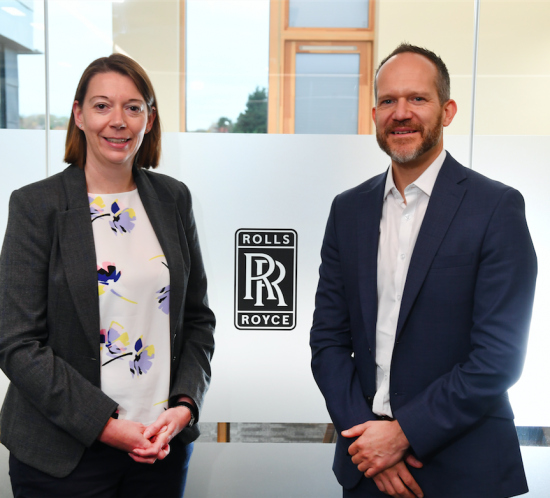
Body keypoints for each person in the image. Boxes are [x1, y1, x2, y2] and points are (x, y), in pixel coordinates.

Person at [310, 43, 537, 498]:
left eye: (418, 99)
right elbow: (327, 341)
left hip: (464, 470)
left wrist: (402, 434)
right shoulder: (348, 210)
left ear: (447, 110)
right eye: (389, 101)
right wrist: (366, 440)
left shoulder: (496, 208)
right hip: (366, 468)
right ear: (374, 113)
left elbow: (498, 357)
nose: (401, 113)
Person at [0, 53, 215, 497]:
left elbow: (196, 321)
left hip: (159, 448)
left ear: (149, 119)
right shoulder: (36, 206)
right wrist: (105, 425)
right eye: (102, 106)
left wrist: (185, 406)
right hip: (62, 457)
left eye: (133, 107)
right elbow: (17, 343)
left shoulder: (173, 199)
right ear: (78, 114)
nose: (118, 121)